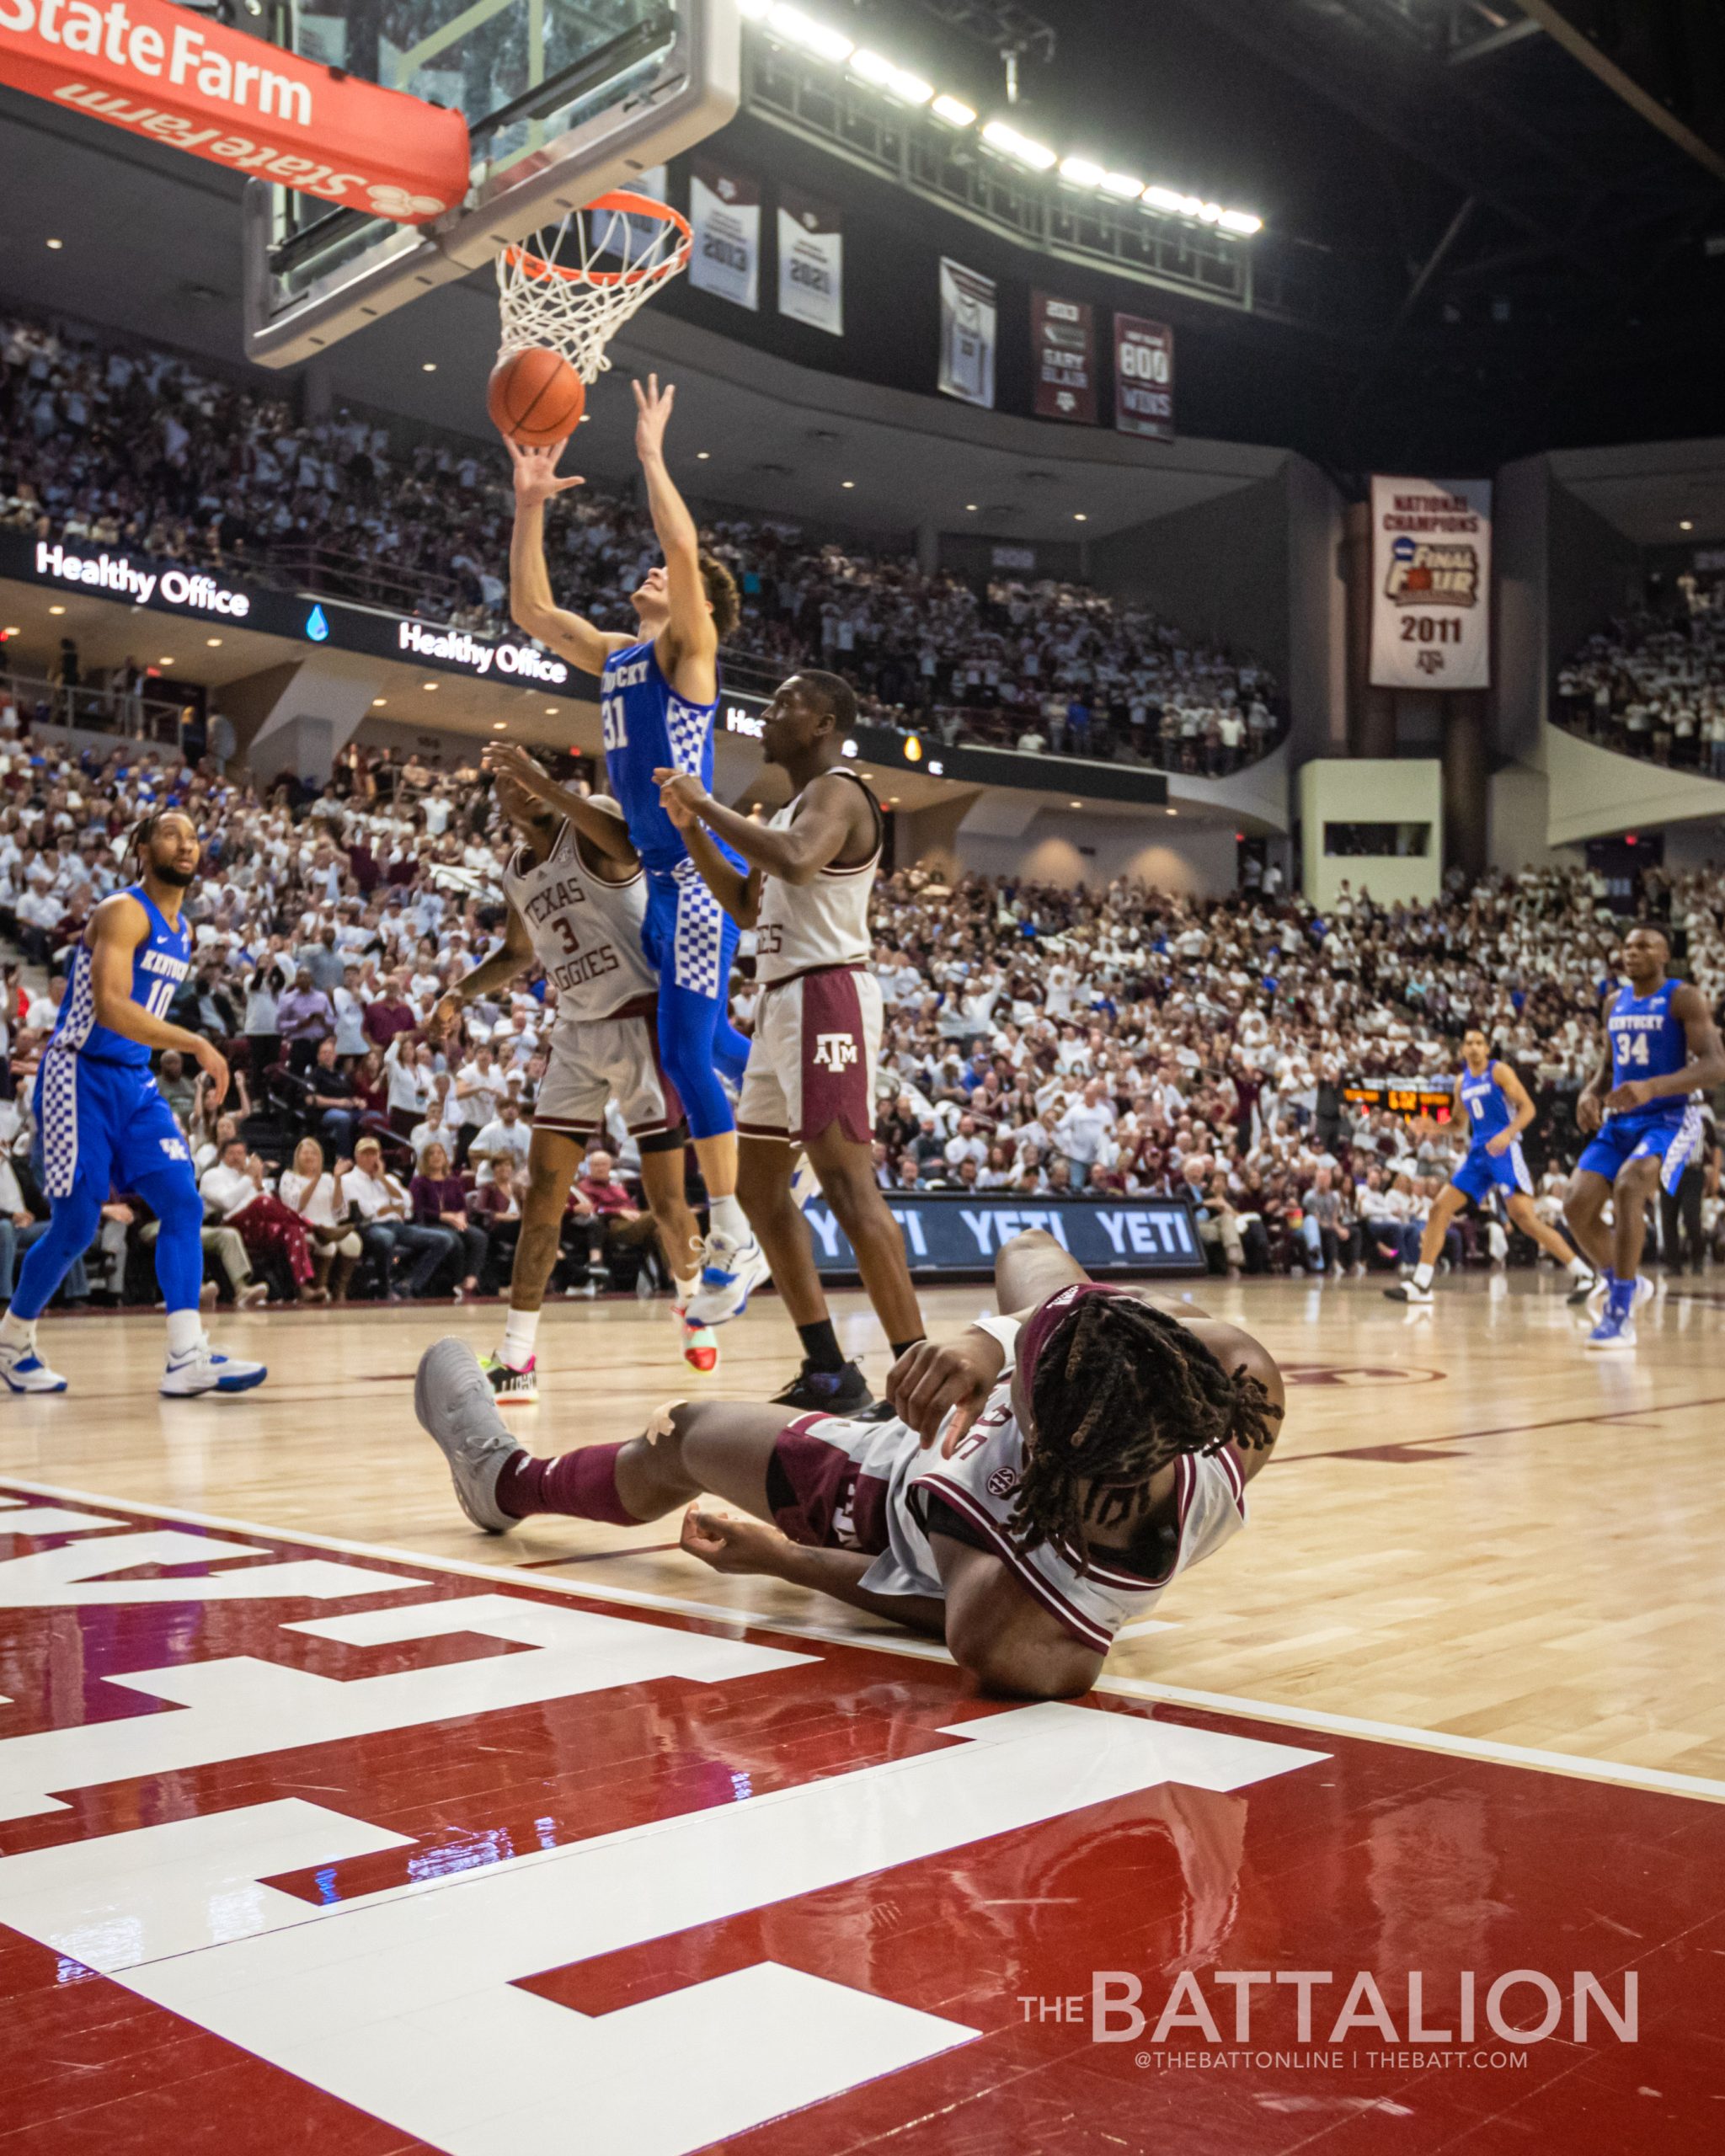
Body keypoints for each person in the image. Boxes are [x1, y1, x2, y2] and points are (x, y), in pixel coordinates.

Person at [415, 1228, 1283, 1700]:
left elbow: (911, 1597)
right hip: (965, 1473)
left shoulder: (1017, 1637)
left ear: (1038, 1432)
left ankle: (501, 1482)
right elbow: (1032, 1255)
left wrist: (779, 1558)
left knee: (678, 1434)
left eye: (1020, 1375)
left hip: (872, 1493)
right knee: (1042, 1267)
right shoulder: (1230, 1407)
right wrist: (990, 1339)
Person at [501, 377, 760, 1321]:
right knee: (702, 1044)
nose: (650, 571)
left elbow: (684, 547)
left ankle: (734, 1231)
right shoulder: (617, 652)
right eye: (650, 571)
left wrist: (651, 455)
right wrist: (527, 505)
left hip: (692, 875)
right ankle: (796, 1104)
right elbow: (532, 612)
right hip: (661, 880)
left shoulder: (687, 654)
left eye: (663, 574)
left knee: (688, 1058)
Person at [656, 670, 927, 1411]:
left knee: (846, 1184)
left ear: (823, 723)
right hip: (781, 1001)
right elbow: (746, 904)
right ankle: (830, 1370)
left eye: (786, 706)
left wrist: (707, 804)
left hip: (826, 995)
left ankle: (919, 1375)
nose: (769, 715)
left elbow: (800, 860)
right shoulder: (789, 808)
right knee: (759, 1189)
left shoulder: (838, 791)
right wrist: (691, 829)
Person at [434, 759, 714, 1404]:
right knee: (542, 1198)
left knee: (667, 1200)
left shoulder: (593, 823)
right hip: (577, 1033)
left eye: (527, 773)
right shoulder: (514, 870)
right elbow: (517, 953)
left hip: (643, 1020)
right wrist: (458, 993)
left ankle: (693, 1303)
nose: (519, 783)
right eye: (507, 779)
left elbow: (629, 847)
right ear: (499, 803)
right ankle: (517, 1357)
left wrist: (544, 781)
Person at [0, 808, 264, 1395]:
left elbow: (139, 1020)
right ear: (142, 848)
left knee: (183, 1201)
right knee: (76, 1224)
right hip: (78, 1072)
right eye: (171, 834)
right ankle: (13, 1339)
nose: (185, 844)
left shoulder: (186, 932)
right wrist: (196, 1041)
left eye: (193, 836)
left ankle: (186, 1356)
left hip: (133, 1079)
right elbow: (114, 1004)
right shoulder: (122, 911)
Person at [1565, 926, 1725, 1350]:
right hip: (1621, 1120)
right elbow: (1608, 1065)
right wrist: (1590, 1092)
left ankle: (1619, 1313)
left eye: (1643, 946)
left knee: (1630, 1185)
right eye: (1627, 946)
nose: (1631, 952)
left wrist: (1653, 1087)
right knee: (1576, 1206)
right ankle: (1625, 1281)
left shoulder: (1683, 997)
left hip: (1671, 1117)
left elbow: (1715, 1066)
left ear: (1663, 954)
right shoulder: (1614, 1003)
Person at [1385, 1028, 1597, 1306]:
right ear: (1462, 1050)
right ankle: (1421, 1283)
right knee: (1439, 1208)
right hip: (1478, 1154)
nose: (1473, 1047)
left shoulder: (1500, 1071)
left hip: (1505, 1150)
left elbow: (1529, 1109)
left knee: (1524, 1218)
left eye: (1479, 1043)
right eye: (1468, 1043)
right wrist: (1433, 1126)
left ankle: (1584, 1275)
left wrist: (1508, 1134)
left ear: (1487, 1049)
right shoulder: (1462, 1082)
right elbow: (1459, 1125)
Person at [278, 1137, 361, 1302]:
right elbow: (296, 1207)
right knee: (327, 1245)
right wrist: (315, 1179)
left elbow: (339, 1211)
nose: (310, 1157)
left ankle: (340, 1290)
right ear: (298, 1156)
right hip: (305, 1226)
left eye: (314, 1153)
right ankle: (319, 1287)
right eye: (306, 1153)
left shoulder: (328, 1179)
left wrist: (337, 1180)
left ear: (320, 1157)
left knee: (354, 1242)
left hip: (331, 1226)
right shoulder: (289, 1177)